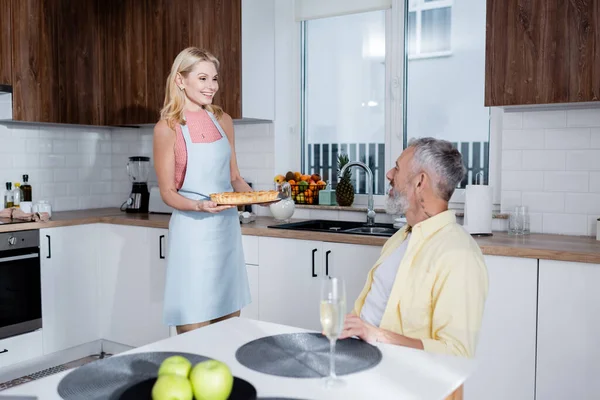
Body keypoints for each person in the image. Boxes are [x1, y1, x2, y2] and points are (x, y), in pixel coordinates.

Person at [339, 137, 489, 358]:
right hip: (357, 355)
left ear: (420, 182)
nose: (389, 174)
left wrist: (377, 336)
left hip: (395, 374)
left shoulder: (460, 256)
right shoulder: (402, 236)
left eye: (397, 168)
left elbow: (457, 354)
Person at [153, 47, 252, 334]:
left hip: (226, 230)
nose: (212, 87)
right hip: (192, 233)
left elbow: (234, 177)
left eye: (215, 79)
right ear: (180, 80)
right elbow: (168, 192)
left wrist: (262, 199)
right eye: (203, 78)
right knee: (193, 330)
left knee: (228, 328)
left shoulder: (224, 121)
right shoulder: (167, 128)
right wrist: (199, 206)